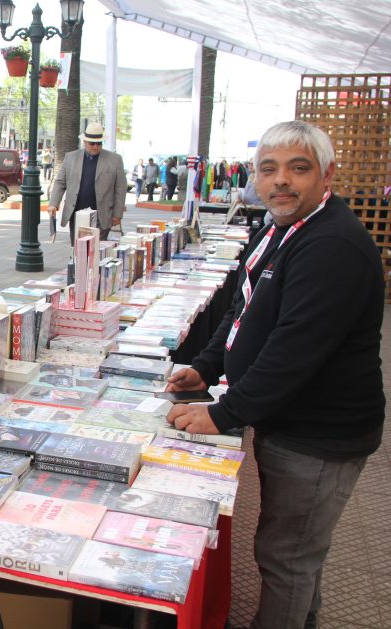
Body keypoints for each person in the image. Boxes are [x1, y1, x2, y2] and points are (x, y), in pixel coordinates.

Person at [165, 120, 384, 629]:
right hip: (292, 420)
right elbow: (243, 313)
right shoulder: (282, 228)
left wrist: (226, 414)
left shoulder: (330, 245)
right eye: (269, 170)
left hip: (319, 433)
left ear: (326, 176)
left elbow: (294, 350)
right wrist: (207, 366)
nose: (281, 181)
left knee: (286, 556)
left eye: (298, 169)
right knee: (299, 549)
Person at [47, 122, 127, 242]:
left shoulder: (115, 160)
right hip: (77, 213)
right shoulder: (70, 158)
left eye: (99, 143)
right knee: (78, 251)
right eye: (92, 143)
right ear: (84, 142)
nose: (95, 146)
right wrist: (53, 204)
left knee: (97, 252)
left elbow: (120, 188)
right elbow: (60, 182)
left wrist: (117, 214)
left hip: (103, 215)